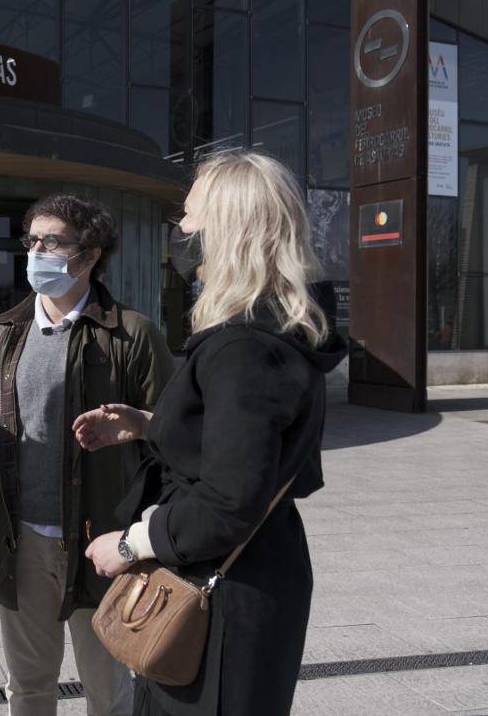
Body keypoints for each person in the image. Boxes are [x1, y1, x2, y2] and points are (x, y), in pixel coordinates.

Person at [76, 152, 347, 715]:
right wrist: (150, 426)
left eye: (190, 218)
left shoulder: (243, 347)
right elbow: (246, 449)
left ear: (226, 232)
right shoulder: (275, 330)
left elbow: (228, 501)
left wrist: (126, 546)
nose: (179, 232)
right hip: (247, 578)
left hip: (222, 594)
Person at [0, 194, 175, 716]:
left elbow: (172, 436)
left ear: (89, 255)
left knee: (108, 691)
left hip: (101, 540)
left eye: (52, 241)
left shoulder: (133, 335)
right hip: (20, 541)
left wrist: (133, 434)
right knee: (28, 685)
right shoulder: (4, 334)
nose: (37, 251)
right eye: (32, 240)